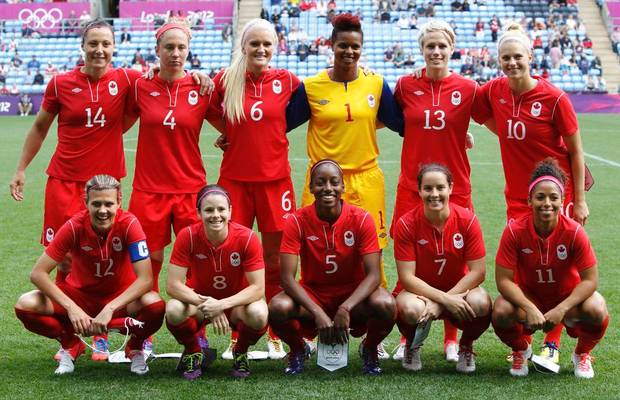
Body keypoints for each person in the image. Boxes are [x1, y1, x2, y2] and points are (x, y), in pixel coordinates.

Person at [9, 19, 143, 361]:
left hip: (106, 186)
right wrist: (21, 169)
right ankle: (70, 338)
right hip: (64, 182)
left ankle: (100, 333)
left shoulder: (127, 79)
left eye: (106, 44)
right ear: (82, 46)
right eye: (93, 43)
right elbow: (40, 127)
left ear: (114, 47)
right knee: (65, 259)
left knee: (106, 255)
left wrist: (200, 78)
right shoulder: (60, 83)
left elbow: (164, 83)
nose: (99, 50)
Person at [286, 14, 403, 359]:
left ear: (361, 48)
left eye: (355, 47)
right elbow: (278, 125)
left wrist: (456, 133)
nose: (349, 52)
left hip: (366, 179)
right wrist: (230, 135)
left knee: (374, 254)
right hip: (322, 183)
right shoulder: (312, 87)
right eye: (342, 46)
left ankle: (372, 334)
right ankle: (311, 329)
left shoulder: (376, 84)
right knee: (312, 252)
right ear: (331, 46)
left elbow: (404, 124)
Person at [478, 23, 590, 360]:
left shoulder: (555, 98)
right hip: (517, 196)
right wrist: (503, 133)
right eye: (505, 58)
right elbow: (474, 111)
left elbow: (576, 151)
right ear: (498, 60)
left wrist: (579, 201)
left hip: (555, 197)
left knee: (561, 271)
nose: (512, 63)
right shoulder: (494, 90)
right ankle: (523, 343)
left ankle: (552, 343)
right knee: (523, 270)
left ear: (530, 56)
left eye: (518, 56)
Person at [391, 20, 488, 361]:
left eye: (442, 46)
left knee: (456, 264)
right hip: (411, 188)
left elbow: (496, 122)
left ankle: (451, 340)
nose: (436, 51)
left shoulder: (469, 88)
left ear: (452, 49)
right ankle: (408, 338)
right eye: (430, 46)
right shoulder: (404, 85)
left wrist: (463, 133)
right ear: (421, 49)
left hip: (455, 188)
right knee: (411, 263)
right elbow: (385, 119)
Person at [207, 18, 301, 360]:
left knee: (276, 262)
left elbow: (314, 103)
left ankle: (276, 331)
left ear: (275, 47)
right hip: (235, 183)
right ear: (243, 46)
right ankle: (239, 334)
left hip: (276, 184)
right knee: (236, 260)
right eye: (254, 43)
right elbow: (205, 108)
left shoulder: (288, 81)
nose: (261, 49)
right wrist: (229, 131)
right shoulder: (225, 80)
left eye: (267, 44)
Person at [14, 175, 165, 375]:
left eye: (109, 204)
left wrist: (110, 308)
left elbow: (146, 279)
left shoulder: (130, 224)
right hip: (80, 297)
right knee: (26, 304)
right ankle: (70, 343)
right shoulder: (74, 226)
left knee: (155, 305)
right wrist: (72, 308)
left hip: (120, 299)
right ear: (86, 202)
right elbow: (38, 273)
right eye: (96, 204)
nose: (103, 210)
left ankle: (135, 347)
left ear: (119, 202)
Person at [269, 160, 396, 375]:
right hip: (314, 294)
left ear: (343, 186)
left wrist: (345, 308)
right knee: (277, 307)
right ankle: (298, 349)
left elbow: (374, 275)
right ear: (311, 187)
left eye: (334, 182)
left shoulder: (361, 218)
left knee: (386, 304)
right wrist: (317, 312)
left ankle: (369, 348)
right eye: (320, 183)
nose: (328, 188)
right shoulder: (297, 221)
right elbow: (287, 279)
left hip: (353, 296)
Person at [492, 159, 608, 378]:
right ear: (529, 200)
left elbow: (590, 280)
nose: (547, 203)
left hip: (567, 300)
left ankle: (581, 354)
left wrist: (561, 309)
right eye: (540, 197)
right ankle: (521, 350)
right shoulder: (514, 231)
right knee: (501, 309)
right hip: (531, 298)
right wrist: (529, 307)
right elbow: (503, 280)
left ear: (562, 201)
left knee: (597, 307)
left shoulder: (574, 232)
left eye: (554, 197)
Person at [125, 19, 213, 296]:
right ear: (157, 50)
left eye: (181, 48)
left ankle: (195, 319)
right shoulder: (140, 86)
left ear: (188, 50)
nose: (175, 53)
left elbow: (231, 125)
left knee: (196, 259)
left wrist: (227, 138)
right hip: (149, 189)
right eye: (169, 47)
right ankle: (144, 319)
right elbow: (117, 124)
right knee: (147, 259)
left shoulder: (202, 89)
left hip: (190, 188)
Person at [392, 164, 491, 373]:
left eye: (440, 187)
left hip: (459, 291)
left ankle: (466, 346)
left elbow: (478, 272)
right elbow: (407, 278)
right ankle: (412, 345)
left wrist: (444, 300)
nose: (434, 194)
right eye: (428, 188)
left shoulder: (467, 220)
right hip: (418, 294)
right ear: (419, 190)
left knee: (481, 303)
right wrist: (443, 299)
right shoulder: (406, 224)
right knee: (409, 309)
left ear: (451, 188)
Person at [166, 185, 268, 380]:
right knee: (173, 309)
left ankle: (240, 352)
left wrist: (221, 305)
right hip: (199, 305)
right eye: (209, 210)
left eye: (221, 209)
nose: (216, 215)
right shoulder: (187, 235)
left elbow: (258, 288)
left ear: (230, 211)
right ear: (198, 213)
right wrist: (208, 305)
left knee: (259, 313)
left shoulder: (247, 237)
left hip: (236, 306)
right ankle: (194, 351)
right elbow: (172, 285)